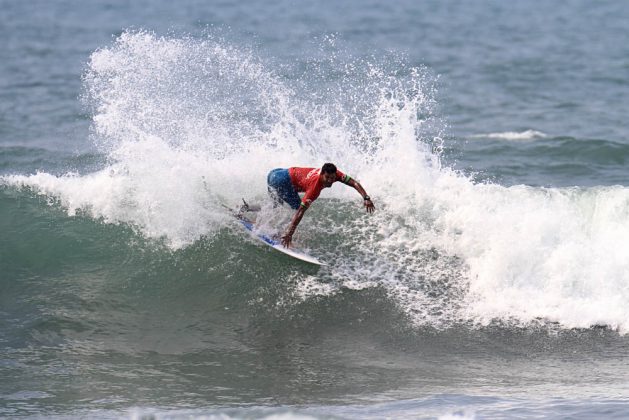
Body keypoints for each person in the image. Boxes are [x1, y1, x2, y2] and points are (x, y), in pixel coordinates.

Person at [266, 163, 375, 247]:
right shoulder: (315, 188)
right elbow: (300, 211)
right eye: (327, 177)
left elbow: (353, 182)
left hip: (274, 173)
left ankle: (250, 209)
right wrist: (290, 233)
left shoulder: (336, 174)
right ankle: (280, 234)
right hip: (281, 181)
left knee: (275, 206)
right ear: (322, 174)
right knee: (296, 207)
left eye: (332, 178)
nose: (330, 181)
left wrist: (366, 197)